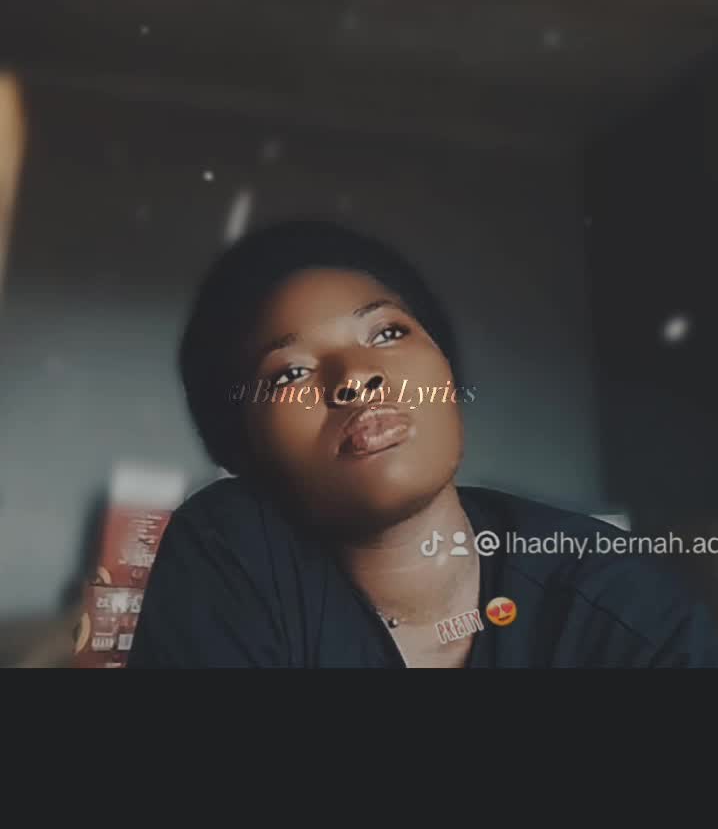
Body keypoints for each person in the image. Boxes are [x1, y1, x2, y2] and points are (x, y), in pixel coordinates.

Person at [128, 219, 718, 668]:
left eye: (387, 332)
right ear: (242, 444)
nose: (355, 378)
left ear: (447, 373)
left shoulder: (608, 587)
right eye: (290, 373)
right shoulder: (228, 551)